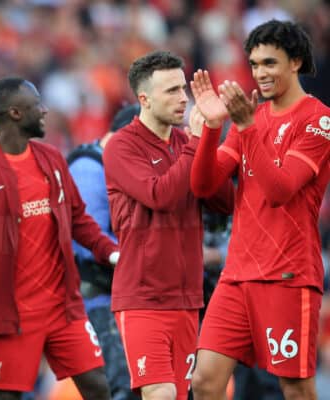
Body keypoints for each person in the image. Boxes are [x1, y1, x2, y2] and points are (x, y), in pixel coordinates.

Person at [0, 77, 119, 400]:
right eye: (36, 104)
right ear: (14, 112)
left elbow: (78, 218)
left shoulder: (51, 158)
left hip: (62, 307)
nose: (44, 111)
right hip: (11, 315)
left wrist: (111, 253)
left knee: (98, 386)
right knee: (6, 398)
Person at [189, 19, 330, 400]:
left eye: (269, 63)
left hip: (288, 274)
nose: (259, 73)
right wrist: (212, 128)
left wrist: (247, 126)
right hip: (237, 274)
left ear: (296, 62)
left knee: (296, 389)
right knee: (203, 382)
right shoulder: (250, 117)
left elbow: (280, 189)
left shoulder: (318, 119)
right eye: (253, 64)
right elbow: (203, 185)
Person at [102, 51, 234, 400]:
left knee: (177, 395)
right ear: (144, 99)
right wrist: (195, 142)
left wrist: (210, 135)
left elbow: (223, 201)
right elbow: (160, 195)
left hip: (187, 297)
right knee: (159, 393)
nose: (182, 99)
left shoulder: (185, 144)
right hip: (143, 296)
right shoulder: (121, 146)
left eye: (183, 89)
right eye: (171, 91)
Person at [68, 103, 141, 400]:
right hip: (99, 298)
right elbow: (89, 241)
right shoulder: (90, 167)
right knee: (119, 387)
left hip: (128, 296)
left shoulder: (122, 166)